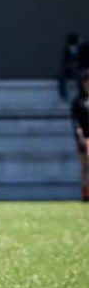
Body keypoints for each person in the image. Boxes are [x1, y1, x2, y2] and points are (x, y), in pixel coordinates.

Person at [71, 70, 89, 201]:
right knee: (85, 166)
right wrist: (80, 136)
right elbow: (75, 121)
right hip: (84, 137)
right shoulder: (78, 102)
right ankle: (85, 193)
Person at [59, 33, 81, 100]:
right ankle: (64, 95)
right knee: (61, 77)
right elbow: (64, 61)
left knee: (81, 77)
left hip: (77, 70)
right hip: (68, 70)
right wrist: (69, 65)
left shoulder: (80, 49)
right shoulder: (66, 49)